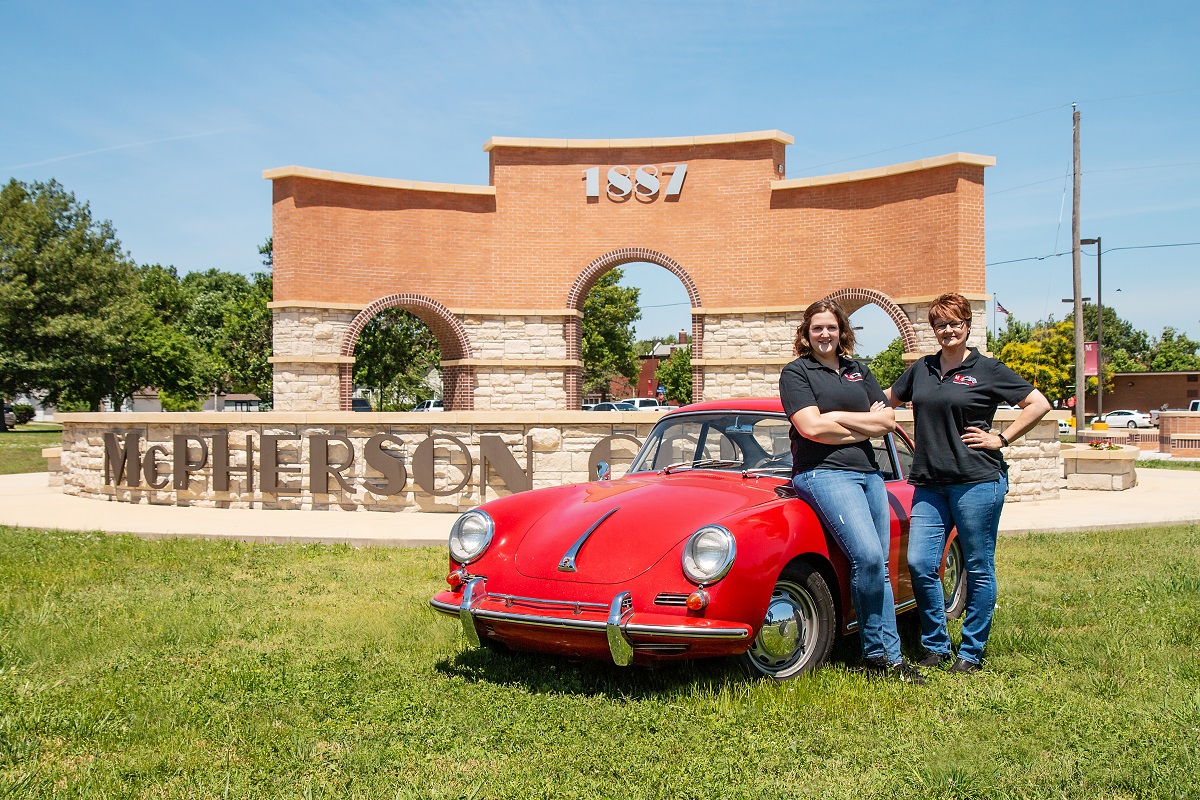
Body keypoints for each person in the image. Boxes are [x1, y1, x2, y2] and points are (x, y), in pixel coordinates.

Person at [886, 293, 1051, 674]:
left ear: (967, 325)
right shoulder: (922, 369)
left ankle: (971, 653)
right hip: (928, 482)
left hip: (977, 481)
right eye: (940, 324)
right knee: (921, 563)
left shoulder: (988, 369)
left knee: (978, 566)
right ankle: (937, 646)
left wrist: (1002, 438)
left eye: (954, 323)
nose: (947, 330)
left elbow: (1038, 403)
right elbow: (886, 401)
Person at [780, 300, 924, 684]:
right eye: (816, 329)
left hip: (869, 475)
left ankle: (889, 659)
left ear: (842, 331)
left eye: (830, 327)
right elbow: (811, 429)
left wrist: (839, 417)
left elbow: (889, 420)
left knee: (882, 565)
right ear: (806, 334)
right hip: (823, 473)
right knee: (868, 558)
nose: (824, 334)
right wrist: (867, 425)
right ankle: (877, 655)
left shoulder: (859, 370)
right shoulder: (796, 373)